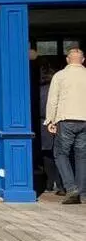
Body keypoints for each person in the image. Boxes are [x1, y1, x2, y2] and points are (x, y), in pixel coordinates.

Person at [45, 47, 86, 204]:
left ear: (68, 60)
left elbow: (53, 99)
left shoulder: (60, 76)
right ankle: (82, 192)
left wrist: (50, 120)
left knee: (60, 154)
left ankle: (71, 188)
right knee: (82, 156)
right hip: (84, 119)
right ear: (82, 60)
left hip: (66, 119)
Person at [39, 65, 64, 194]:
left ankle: (50, 182)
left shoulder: (40, 90)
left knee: (48, 154)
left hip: (44, 122)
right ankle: (60, 184)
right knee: (61, 153)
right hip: (61, 121)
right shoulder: (58, 89)